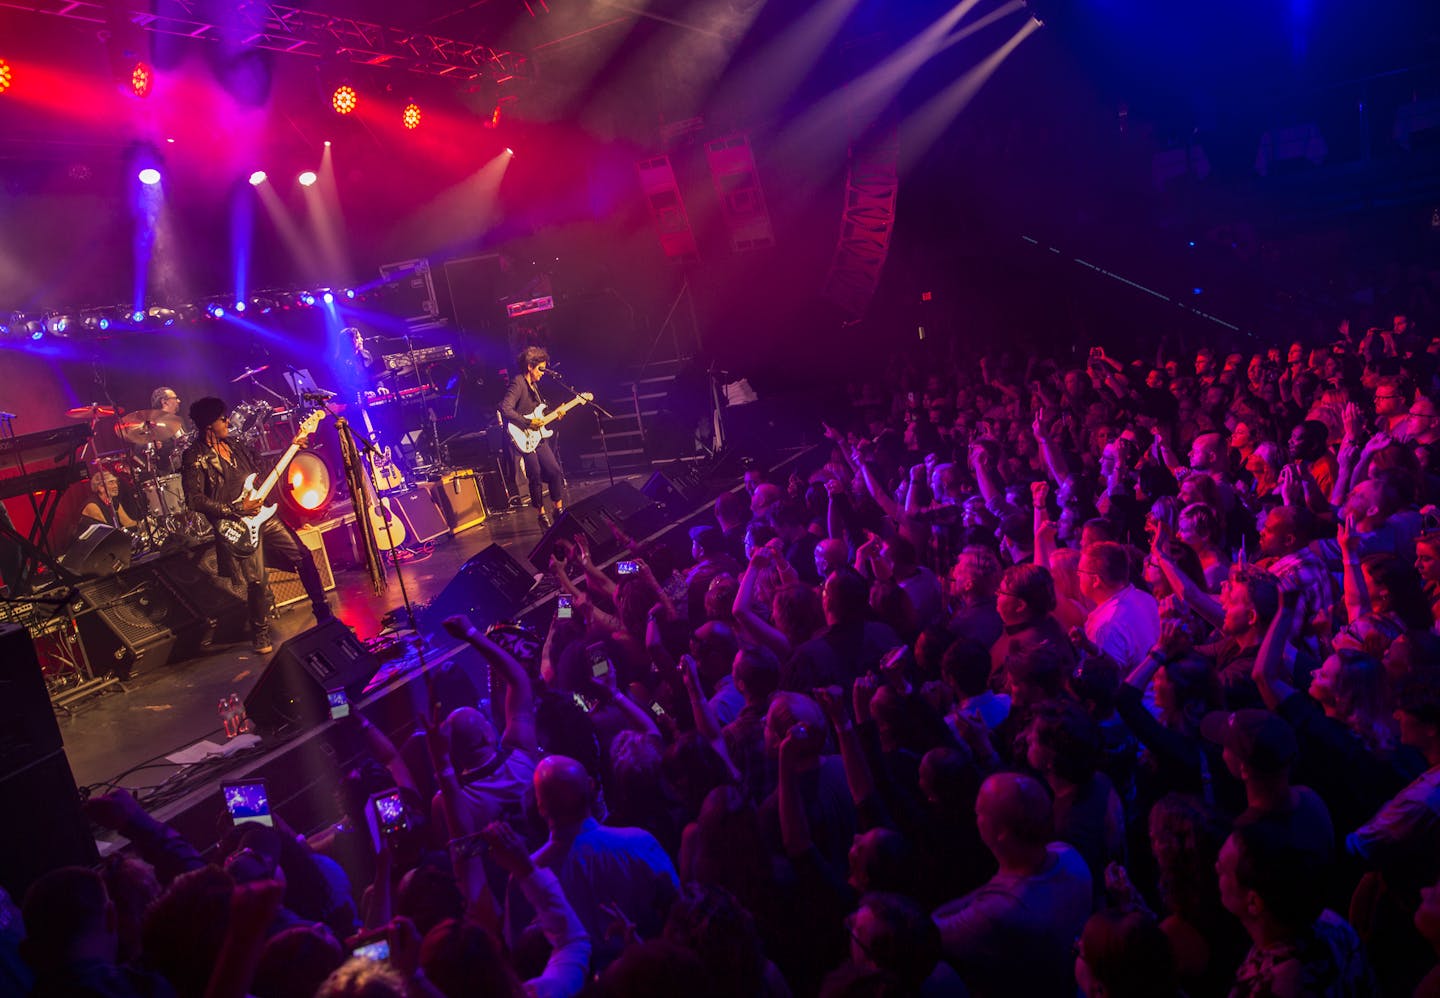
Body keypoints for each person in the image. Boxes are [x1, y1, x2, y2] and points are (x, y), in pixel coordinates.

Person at [181, 396, 331, 653]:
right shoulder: (194, 456)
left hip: (264, 515)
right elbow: (194, 500)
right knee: (257, 580)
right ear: (209, 425)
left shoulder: (236, 444)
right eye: (222, 418)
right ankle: (260, 633)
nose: (228, 421)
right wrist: (237, 509)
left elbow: (264, 471)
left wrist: (293, 447)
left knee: (303, 556)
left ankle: (324, 615)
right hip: (236, 523)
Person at [932, 771, 1092, 997]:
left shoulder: (1001, 910)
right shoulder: (1069, 854)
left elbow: (930, 932)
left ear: (1001, 834)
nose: (973, 814)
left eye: (979, 811)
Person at [499, 346, 569, 529]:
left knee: (554, 470)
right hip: (523, 435)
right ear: (530, 366)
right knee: (535, 473)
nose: (543, 373)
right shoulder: (518, 383)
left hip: (537, 436)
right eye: (540, 369)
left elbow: (538, 415)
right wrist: (526, 423)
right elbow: (505, 408)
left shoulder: (534, 387)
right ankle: (541, 514)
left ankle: (558, 510)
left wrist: (556, 414)